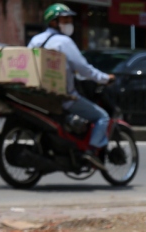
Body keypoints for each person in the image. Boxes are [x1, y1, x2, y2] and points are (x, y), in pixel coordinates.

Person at [29, 4, 114, 168]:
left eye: (70, 19)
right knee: (102, 116)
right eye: (65, 19)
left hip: (39, 97)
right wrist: (104, 78)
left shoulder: (35, 40)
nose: (69, 22)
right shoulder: (64, 42)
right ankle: (91, 151)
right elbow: (84, 68)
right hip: (63, 98)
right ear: (53, 22)